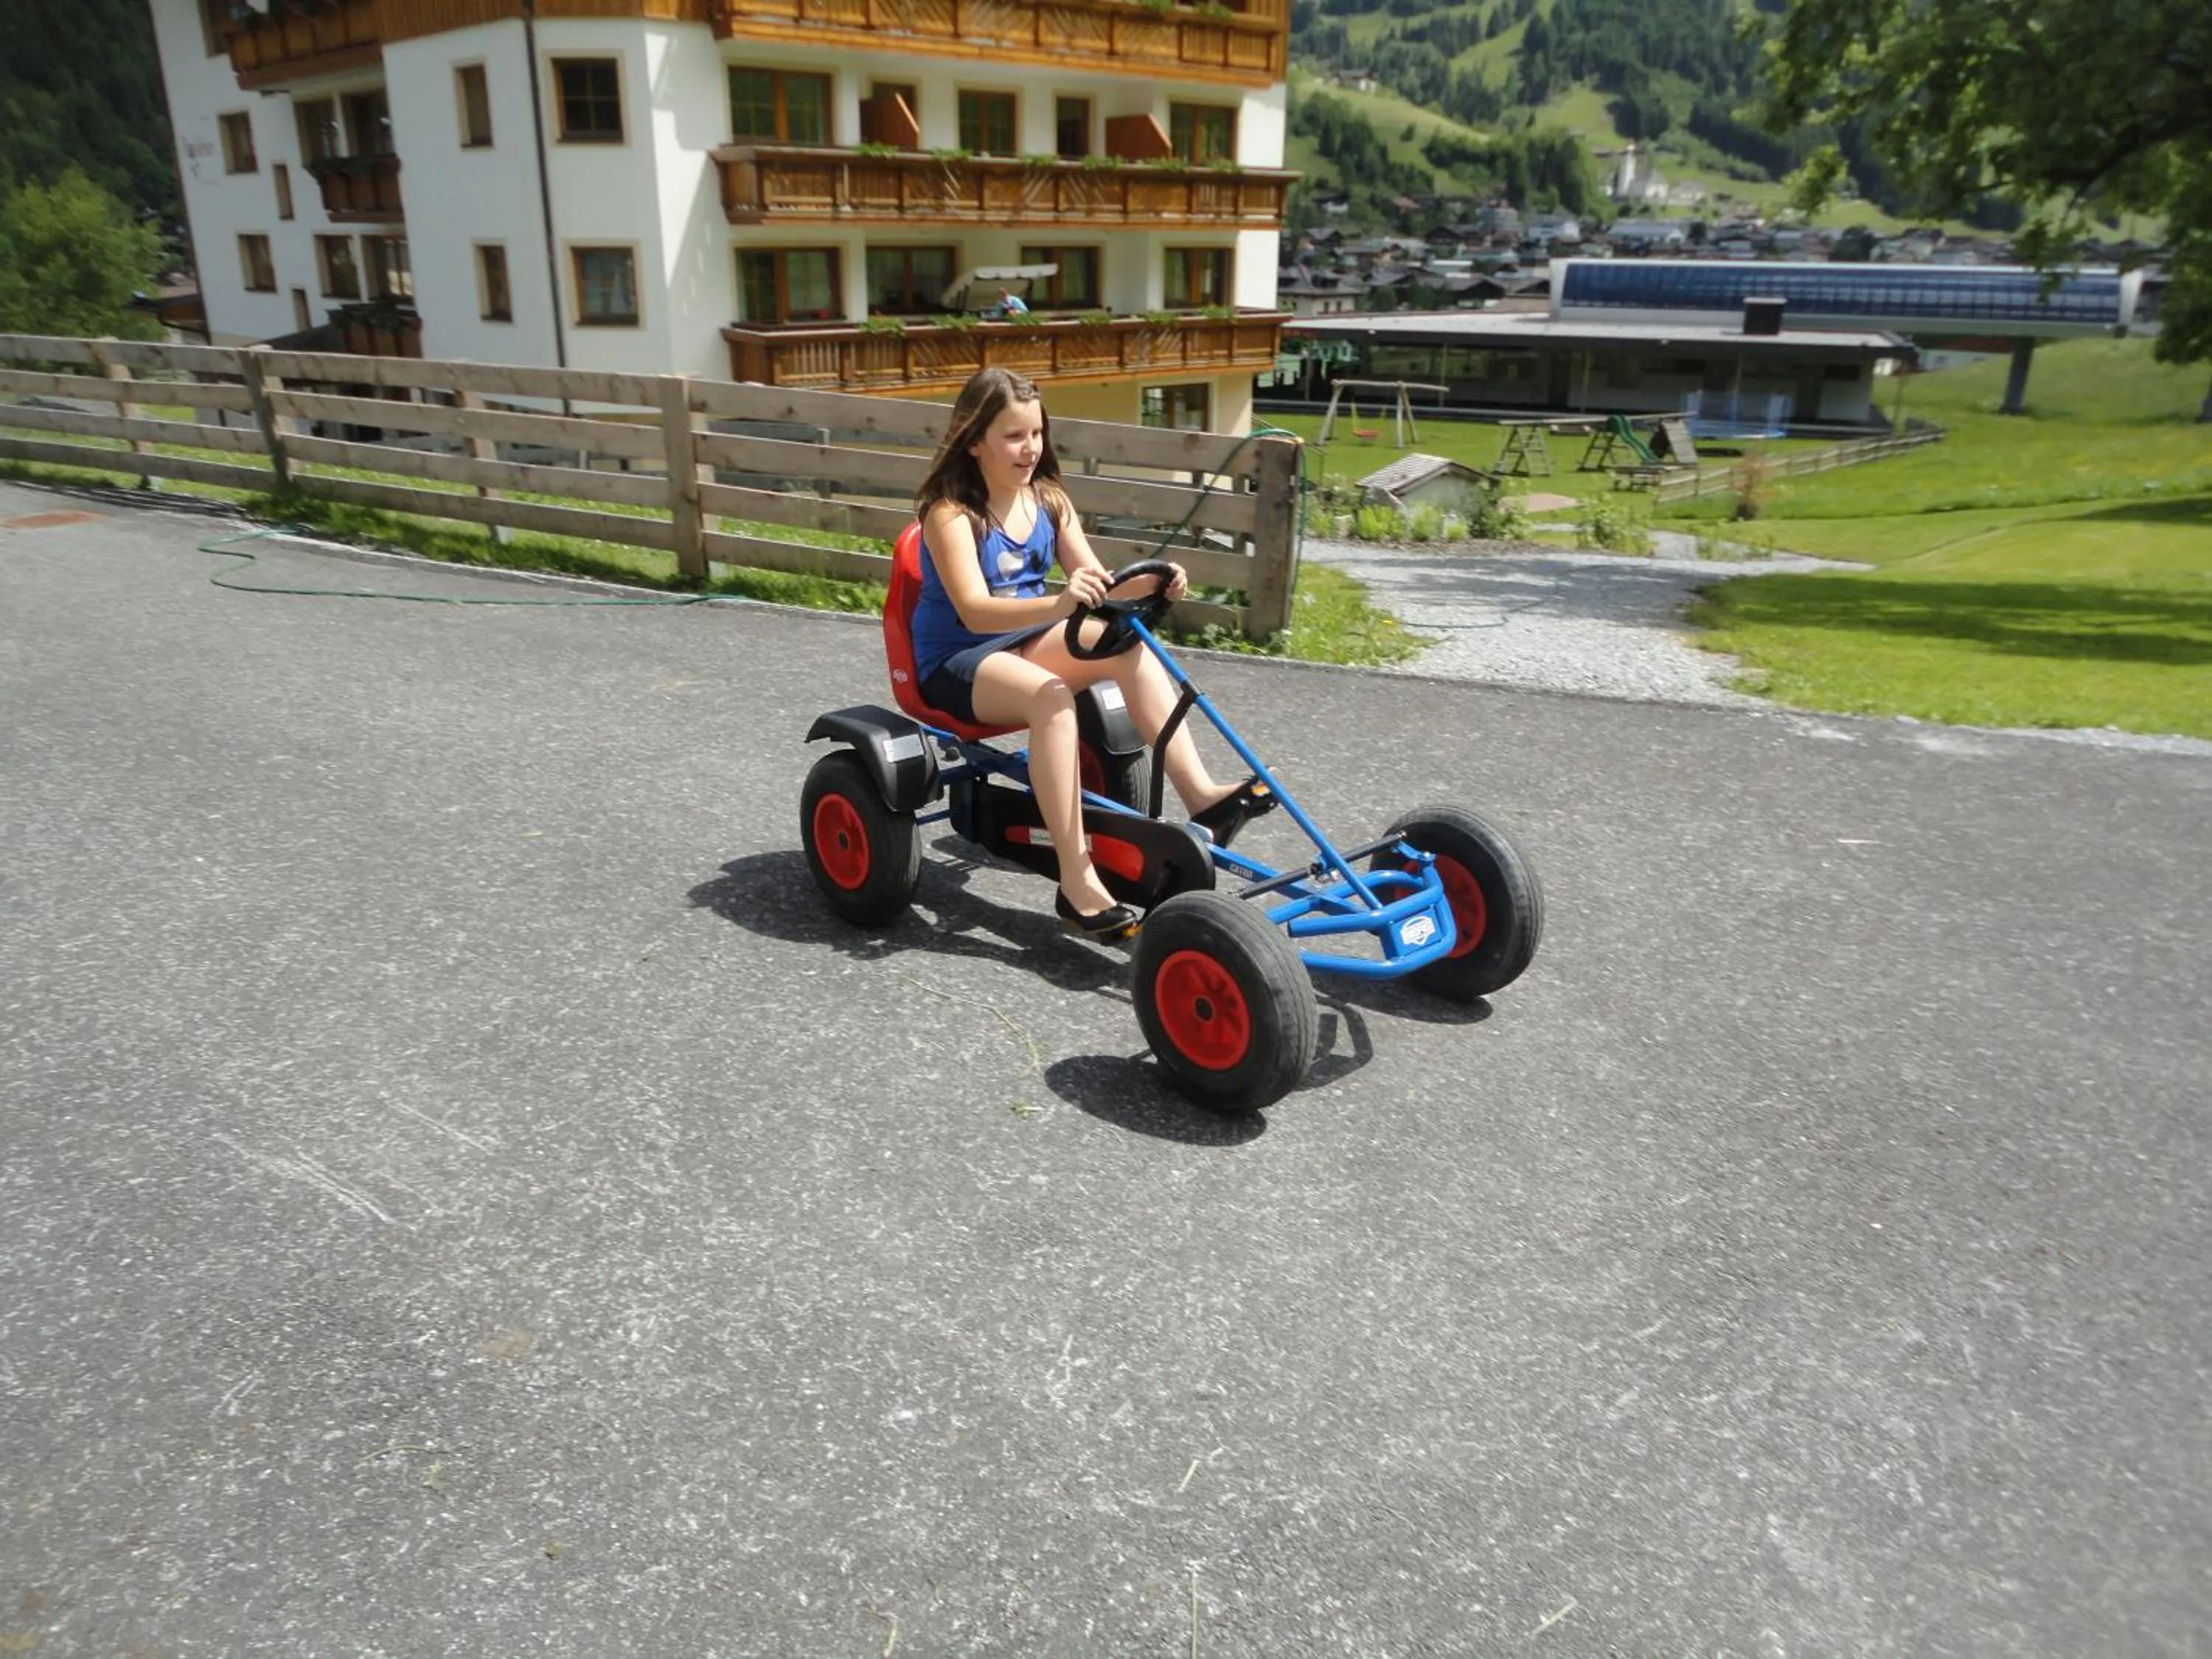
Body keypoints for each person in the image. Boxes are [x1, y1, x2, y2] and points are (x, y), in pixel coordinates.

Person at [910, 367, 1277, 941]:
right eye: (1013, 436)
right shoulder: (951, 514)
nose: (1029, 448)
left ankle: (1202, 796)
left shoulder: (1049, 502)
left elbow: (1096, 583)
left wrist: (1153, 584)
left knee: (1123, 643)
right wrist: (1058, 606)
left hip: (1022, 642)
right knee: (1052, 698)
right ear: (974, 439)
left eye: (1036, 433)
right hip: (956, 660)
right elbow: (976, 612)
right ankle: (1075, 879)